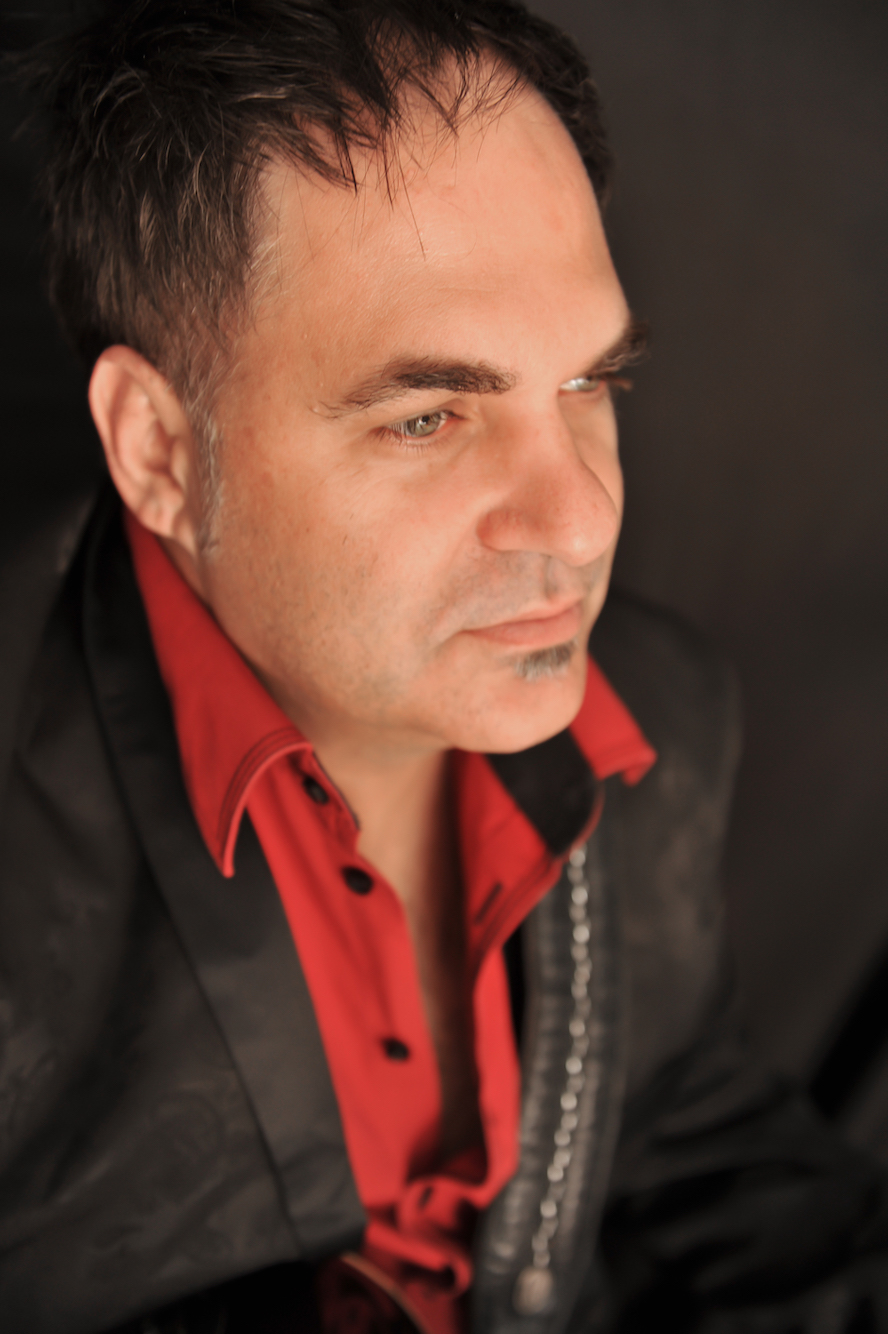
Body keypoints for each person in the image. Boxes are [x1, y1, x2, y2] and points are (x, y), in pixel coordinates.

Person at [1, 2, 886, 1331]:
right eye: (428, 418)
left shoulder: (660, 717)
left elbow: (688, 1130)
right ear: (160, 451)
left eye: (589, 386)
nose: (581, 519)